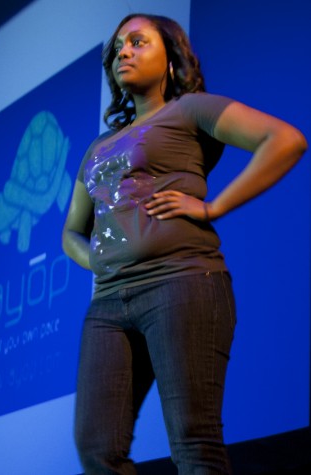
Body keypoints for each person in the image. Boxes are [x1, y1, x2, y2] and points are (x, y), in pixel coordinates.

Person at [62, 12, 307, 475]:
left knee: (194, 443)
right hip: (109, 305)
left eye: (137, 42)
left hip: (182, 285)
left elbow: (286, 140)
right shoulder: (97, 148)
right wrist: (93, 257)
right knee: (97, 450)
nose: (124, 53)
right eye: (117, 48)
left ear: (171, 58)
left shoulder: (190, 109)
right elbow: (71, 230)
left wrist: (213, 208)